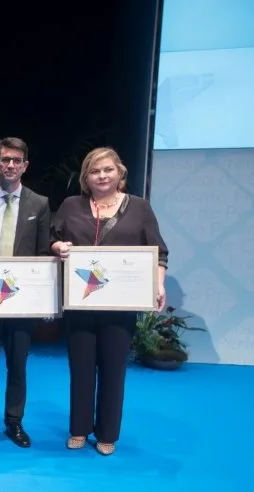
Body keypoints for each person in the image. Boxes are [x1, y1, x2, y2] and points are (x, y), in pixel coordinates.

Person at [51, 147, 168, 456]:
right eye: (94, 171)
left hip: (120, 306)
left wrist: (158, 284)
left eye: (107, 170)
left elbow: (159, 252)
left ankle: (107, 433)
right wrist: (57, 246)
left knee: (114, 370)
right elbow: (51, 237)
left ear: (120, 173)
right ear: (85, 178)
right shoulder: (71, 205)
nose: (101, 176)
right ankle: (78, 429)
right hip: (80, 302)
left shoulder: (140, 208)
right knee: (81, 368)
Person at [0, 137, 51, 448]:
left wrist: (44, 300)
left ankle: (14, 422)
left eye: (17, 160)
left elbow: (43, 253)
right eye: (5, 160)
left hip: (22, 302)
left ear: (25, 165)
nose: (11, 165)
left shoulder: (39, 204)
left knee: (18, 365)